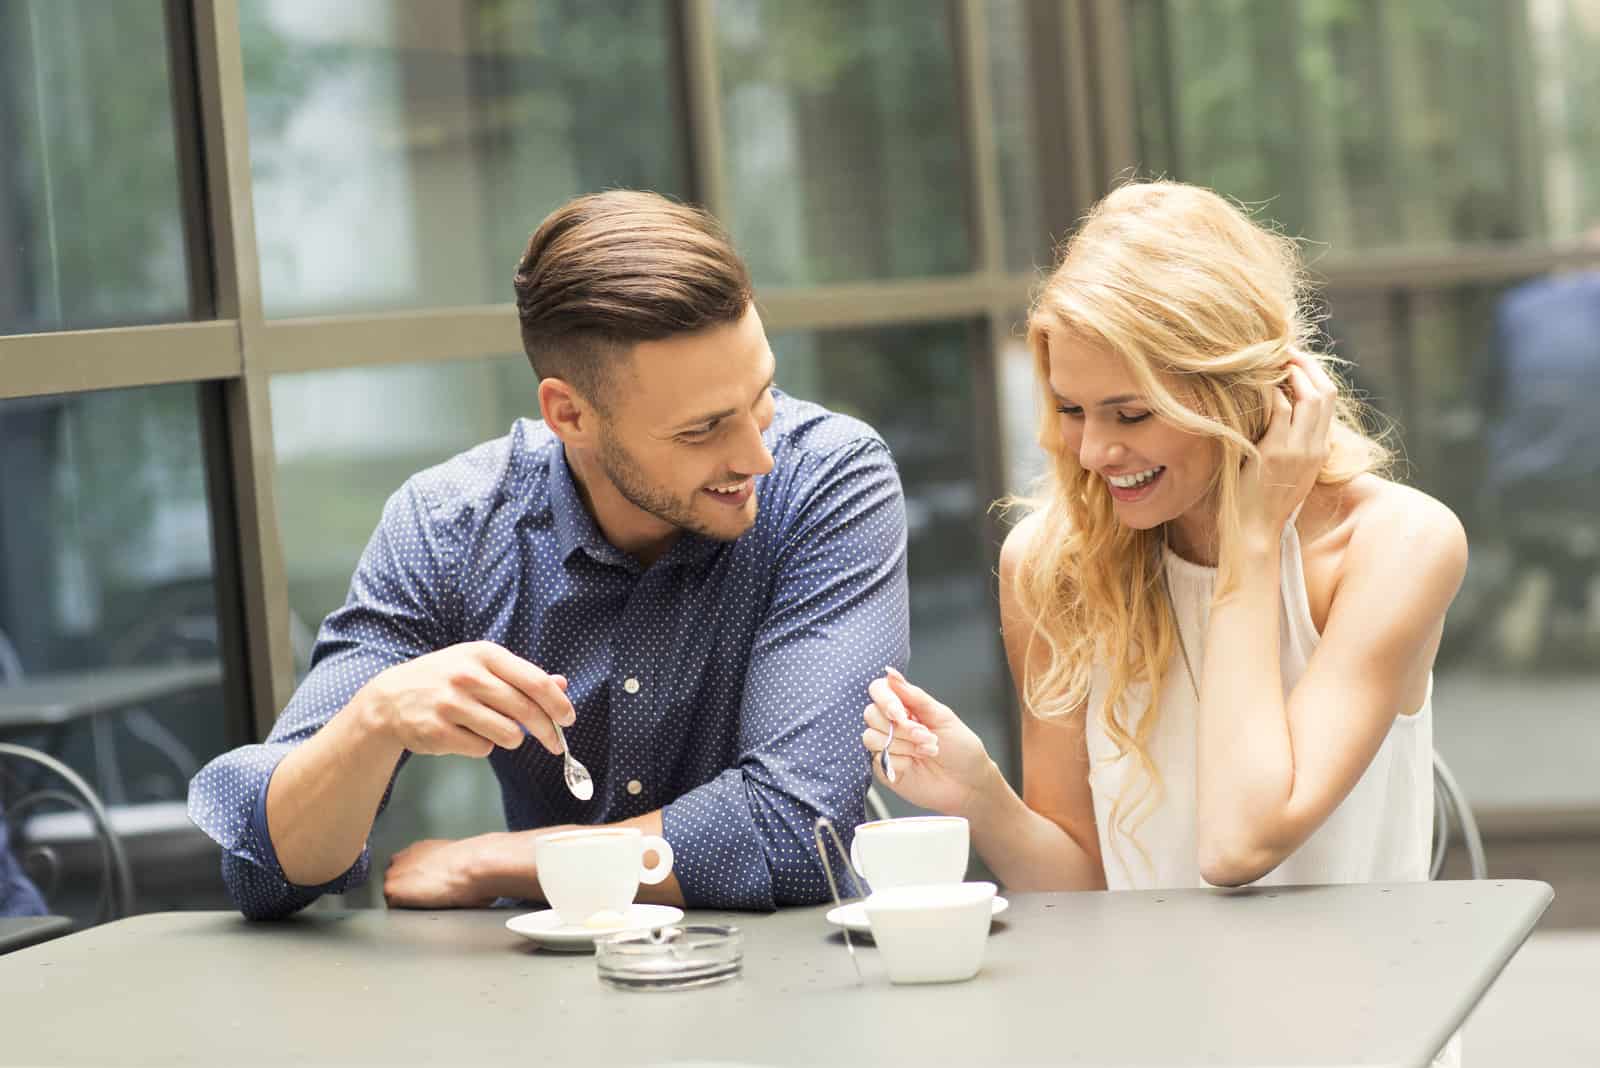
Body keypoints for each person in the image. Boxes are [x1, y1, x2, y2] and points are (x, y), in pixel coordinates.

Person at [188, 191, 909, 920]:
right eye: (702, 429)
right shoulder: (449, 527)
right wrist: (374, 719)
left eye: (761, 397)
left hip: (797, 996)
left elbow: (796, 833)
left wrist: (495, 861)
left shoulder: (831, 480)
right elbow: (267, 872)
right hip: (540, 1006)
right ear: (569, 414)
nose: (757, 455)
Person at [864, 181, 1468, 924]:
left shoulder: (1396, 544)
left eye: (1133, 413)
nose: (1093, 451)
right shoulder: (1052, 566)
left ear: (1246, 392)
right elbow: (1084, 893)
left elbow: (1239, 845)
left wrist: (1249, 544)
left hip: (1358, 1027)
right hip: (1156, 1025)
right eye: (1071, 410)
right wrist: (983, 796)